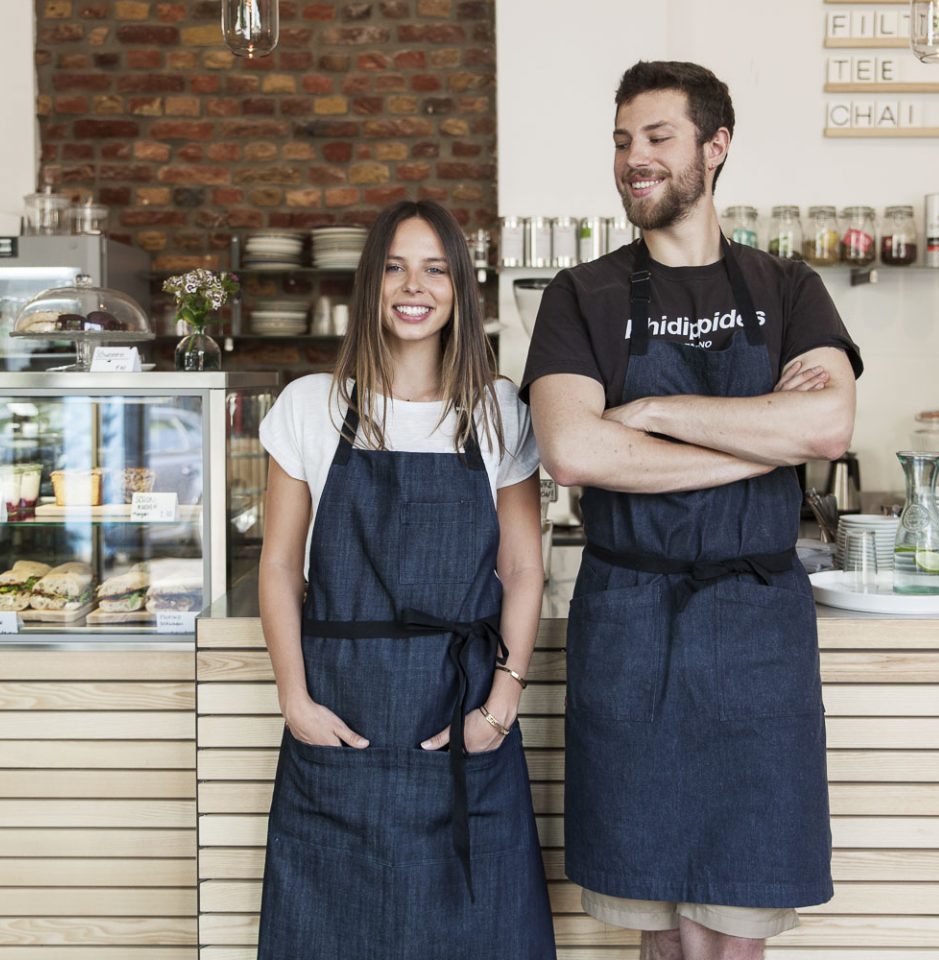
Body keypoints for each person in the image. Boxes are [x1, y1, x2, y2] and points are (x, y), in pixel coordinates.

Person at [523, 61, 863, 959]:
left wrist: (654, 414)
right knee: (660, 929)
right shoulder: (580, 295)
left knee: (736, 927)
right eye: (623, 141)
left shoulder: (787, 288)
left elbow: (827, 422)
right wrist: (760, 440)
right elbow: (573, 450)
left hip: (757, 628)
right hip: (632, 623)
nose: (635, 158)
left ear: (715, 149)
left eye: (658, 137)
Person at [255, 199, 557, 959]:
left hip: (461, 718)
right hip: (341, 717)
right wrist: (294, 698)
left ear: (460, 286)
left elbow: (523, 568)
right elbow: (280, 564)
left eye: (433, 268)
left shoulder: (498, 412)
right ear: (370, 284)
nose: (411, 286)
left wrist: (501, 703)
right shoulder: (310, 408)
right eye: (393, 267)